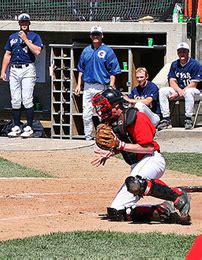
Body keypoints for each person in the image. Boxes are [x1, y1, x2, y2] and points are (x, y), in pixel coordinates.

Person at [91, 89, 191, 225]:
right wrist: (112, 152)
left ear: (116, 105)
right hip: (138, 165)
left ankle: (177, 196)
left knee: (136, 182)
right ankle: (163, 210)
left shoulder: (136, 117)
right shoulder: (114, 123)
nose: (102, 111)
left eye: (105, 107)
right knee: (117, 212)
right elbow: (127, 144)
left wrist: (120, 145)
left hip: (152, 159)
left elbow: (149, 147)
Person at [74, 25, 121, 140]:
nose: (96, 36)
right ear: (90, 36)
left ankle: (103, 137)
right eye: (93, 34)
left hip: (102, 86)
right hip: (88, 86)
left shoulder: (107, 51)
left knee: (103, 113)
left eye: (98, 34)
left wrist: (111, 86)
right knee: (86, 114)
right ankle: (88, 136)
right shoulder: (86, 51)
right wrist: (78, 84)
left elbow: (113, 71)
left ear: (102, 36)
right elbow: (81, 69)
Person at [0, 13, 43, 138]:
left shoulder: (34, 36)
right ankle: (16, 125)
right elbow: (7, 54)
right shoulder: (12, 37)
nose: (24, 24)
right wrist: (3, 71)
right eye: (22, 22)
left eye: (26, 22)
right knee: (15, 99)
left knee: (27, 98)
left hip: (27, 68)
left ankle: (29, 126)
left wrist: (25, 39)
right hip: (13, 69)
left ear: (29, 23)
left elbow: (37, 51)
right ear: (19, 23)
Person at [158, 42, 201, 130]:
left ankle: (188, 119)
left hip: (196, 92)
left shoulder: (196, 64)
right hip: (179, 91)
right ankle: (166, 119)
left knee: (189, 92)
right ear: (177, 53)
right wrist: (178, 91)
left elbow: (194, 84)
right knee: (162, 91)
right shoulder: (174, 64)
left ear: (188, 52)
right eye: (180, 51)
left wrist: (179, 93)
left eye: (184, 51)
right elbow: (172, 81)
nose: (182, 53)